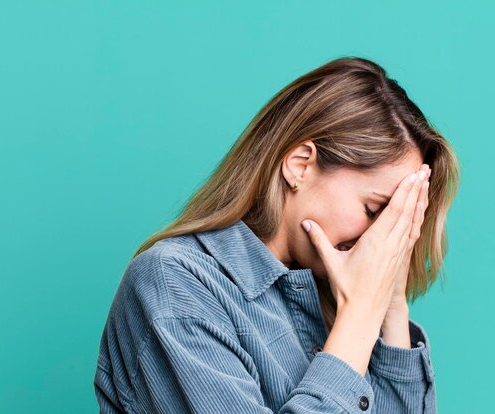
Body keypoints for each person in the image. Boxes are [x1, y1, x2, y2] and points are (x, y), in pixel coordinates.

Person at [93, 56, 459, 413]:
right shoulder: (173, 286)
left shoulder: (332, 303)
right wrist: (361, 315)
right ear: (300, 165)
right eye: (374, 210)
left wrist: (391, 304)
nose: (380, 238)